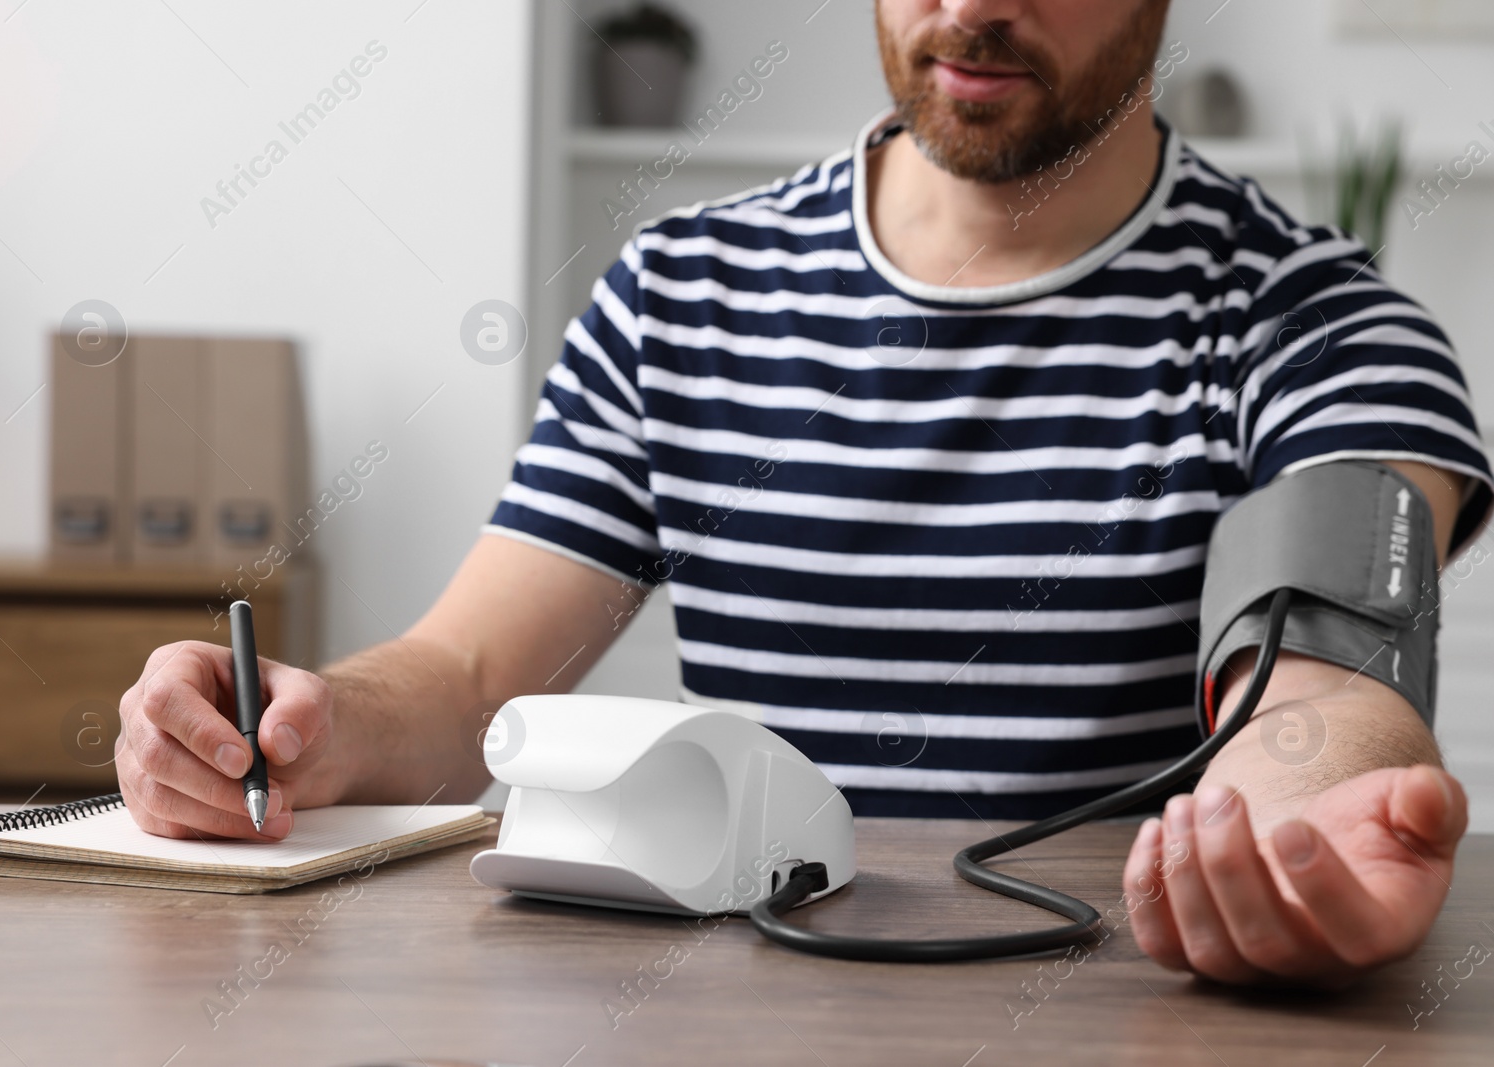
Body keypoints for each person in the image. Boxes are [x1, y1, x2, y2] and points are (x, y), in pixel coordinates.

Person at [116, 0, 1491, 988]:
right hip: (734, 1010)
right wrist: (304, 723)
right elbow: (473, 677)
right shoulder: (678, 295)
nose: (974, 8)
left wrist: (1304, 828)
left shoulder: (1322, 328)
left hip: (1108, 1013)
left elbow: (1318, 696)